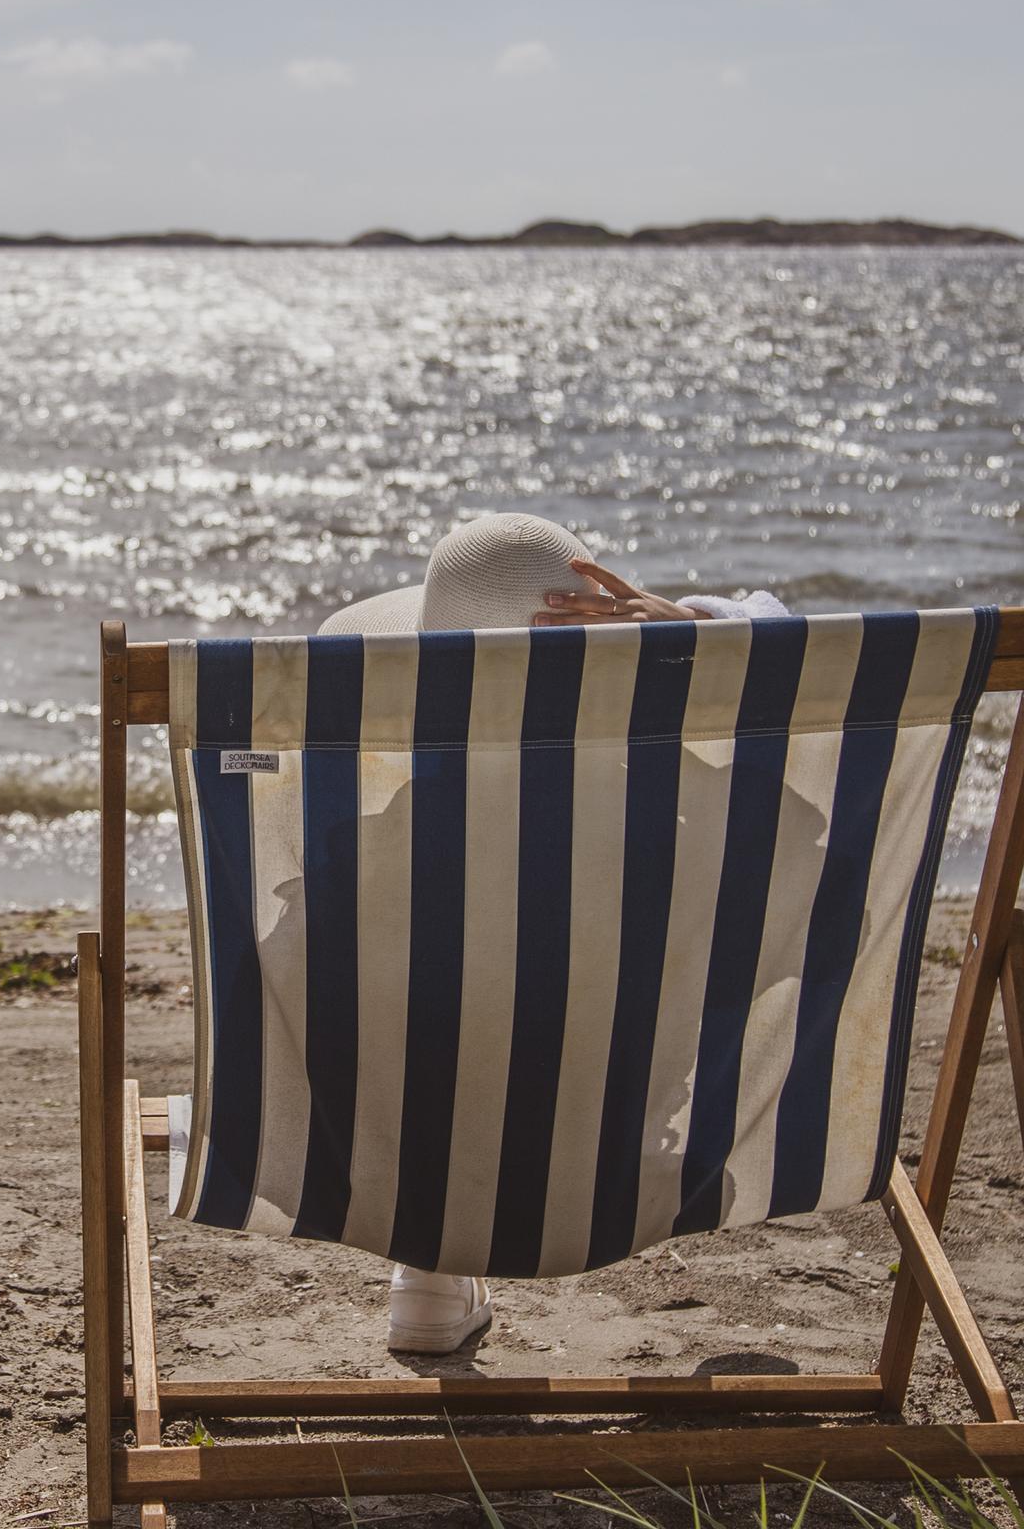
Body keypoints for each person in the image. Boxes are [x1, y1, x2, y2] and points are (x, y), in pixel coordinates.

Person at [319, 511, 788, 1357]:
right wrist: (700, 628)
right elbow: (802, 654)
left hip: (406, 1156)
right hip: (635, 1152)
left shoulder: (382, 842)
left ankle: (428, 1266)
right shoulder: (672, 822)